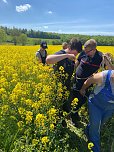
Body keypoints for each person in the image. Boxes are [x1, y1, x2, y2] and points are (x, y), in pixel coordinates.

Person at [46, 38, 82, 126]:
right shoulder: (62, 53)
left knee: (64, 106)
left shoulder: (71, 57)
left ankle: (61, 122)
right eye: (76, 52)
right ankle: (55, 125)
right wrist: (66, 55)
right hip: (57, 88)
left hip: (66, 87)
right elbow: (48, 60)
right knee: (56, 107)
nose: (76, 55)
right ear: (71, 49)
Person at [68, 39, 104, 126]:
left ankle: (75, 113)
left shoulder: (100, 57)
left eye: (88, 51)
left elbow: (109, 69)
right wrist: (74, 72)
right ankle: (73, 116)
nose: (86, 53)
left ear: (94, 49)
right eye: (85, 51)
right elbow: (78, 61)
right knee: (74, 99)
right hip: (77, 80)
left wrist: (107, 60)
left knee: (82, 99)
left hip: (88, 83)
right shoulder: (84, 52)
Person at [80, 70, 114, 152]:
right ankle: (95, 149)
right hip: (95, 105)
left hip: (110, 108)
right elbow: (89, 81)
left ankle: (88, 130)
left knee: (99, 124)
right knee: (95, 128)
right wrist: (83, 89)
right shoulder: (104, 76)